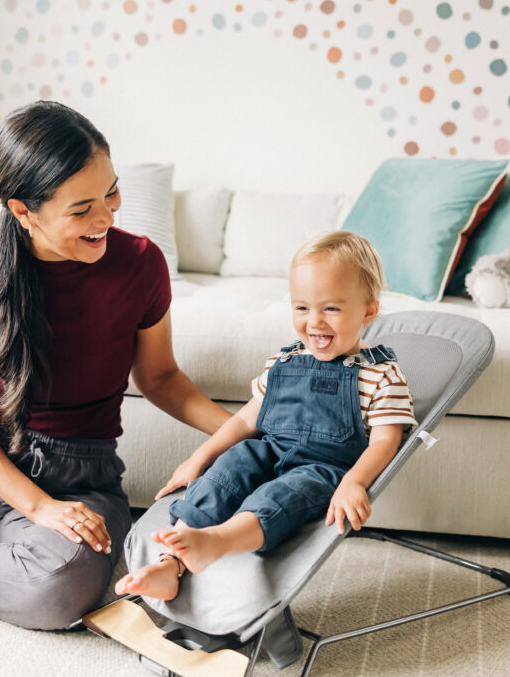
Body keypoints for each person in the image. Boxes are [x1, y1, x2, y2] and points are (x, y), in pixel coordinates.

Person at [0, 101, 230, 629]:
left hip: (81, 477)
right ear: (23, 211)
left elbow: (161, 378)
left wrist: (246, 429)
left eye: (111, 193)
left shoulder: (140, 262)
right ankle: (0, 549)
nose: (106, 217)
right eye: (81, 210)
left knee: (57, 590)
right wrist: (35, 508)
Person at [116, 231, 417, 601]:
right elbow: (245, 422)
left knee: (281, 496)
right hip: (270, 451)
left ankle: (216, 541)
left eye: (332, 309)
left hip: (322, 468)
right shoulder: (285, 362)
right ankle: (168, 564)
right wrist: (199, 459)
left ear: (368, 310)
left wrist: (355, 481)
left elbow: (387, 439)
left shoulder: (381, 374)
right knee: (230, 468)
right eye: (302, 308)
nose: (315, 322)